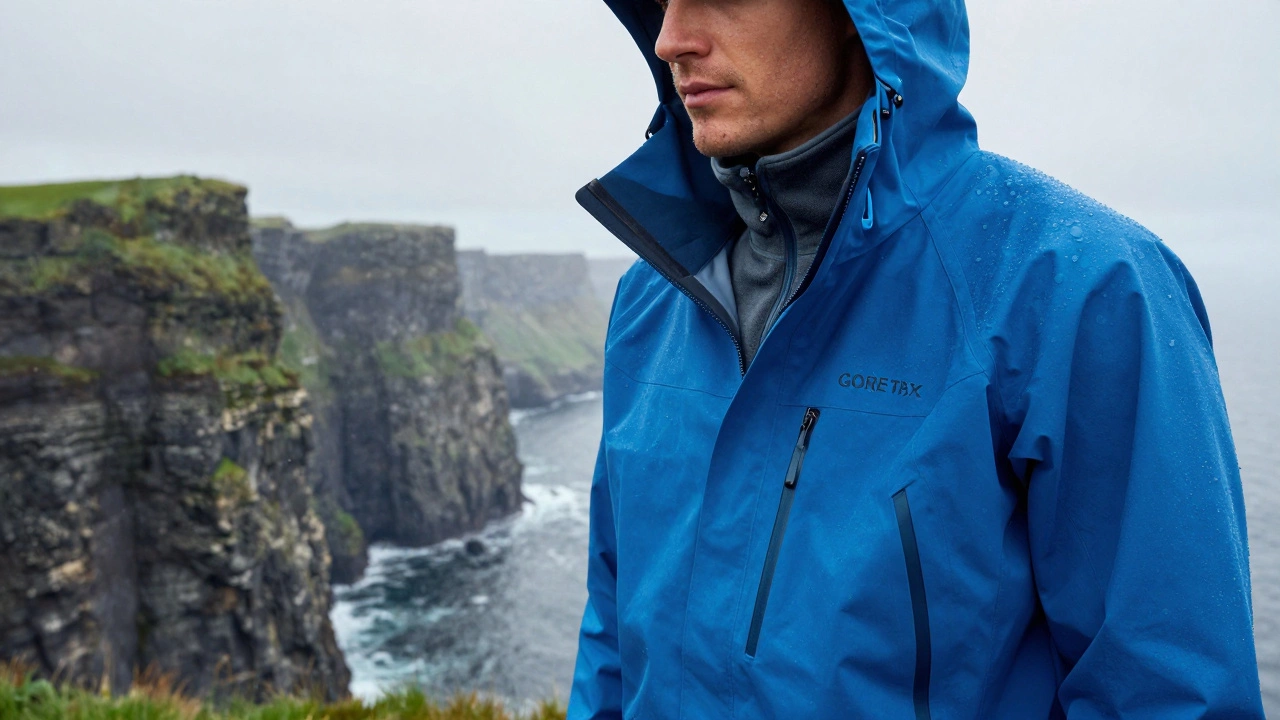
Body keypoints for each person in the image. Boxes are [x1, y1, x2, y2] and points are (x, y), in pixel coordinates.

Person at [568, 0, 1264, 716]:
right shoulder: (651, 300)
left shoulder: (1079, 289)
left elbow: (1167, 694)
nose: (670, 39)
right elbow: (613, 641)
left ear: (854, 12)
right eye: (661, 0)